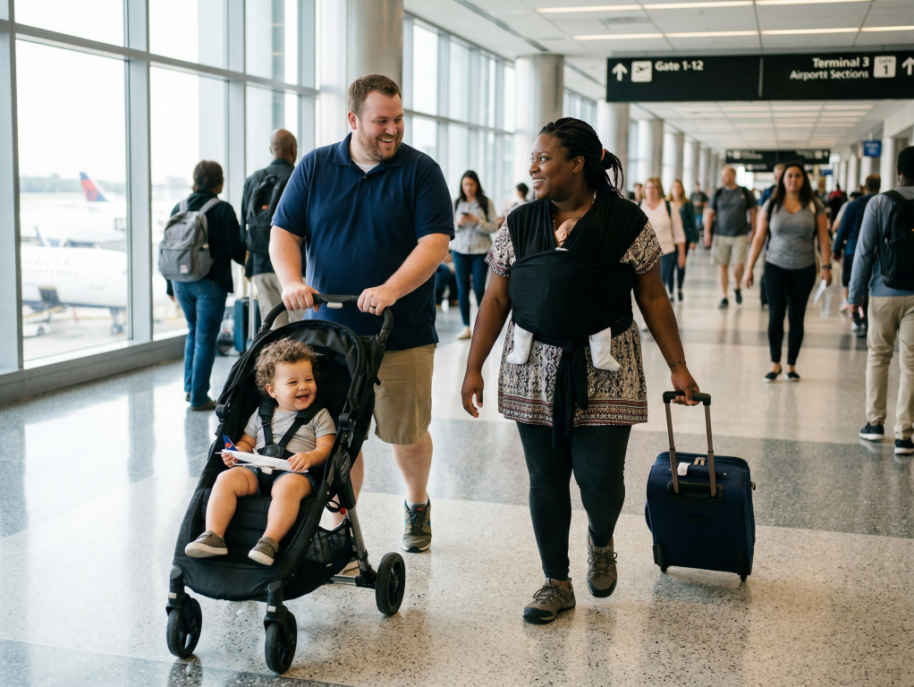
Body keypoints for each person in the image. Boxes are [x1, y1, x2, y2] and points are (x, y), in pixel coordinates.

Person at [460, 117, 700, 625]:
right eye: (533, 158)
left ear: (579, 163)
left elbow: (653, 296)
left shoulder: (627, 221)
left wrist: (678, 366)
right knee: (545, 480)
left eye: (544, 158)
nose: (533, 167)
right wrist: (473, 366)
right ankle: (556, 581)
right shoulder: (519, 222)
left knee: (599, 482)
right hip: (533, 365)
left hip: (605, 364)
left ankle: (600, 538)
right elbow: (496, 297)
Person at [269, 74, 453, 552]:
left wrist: (391, 289)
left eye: (398, 120)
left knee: (405, 433)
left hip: (402, 333)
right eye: (381, 122)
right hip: (329, 337)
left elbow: (434, 244)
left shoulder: (421, 171)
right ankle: (342, 526)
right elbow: (283, 233)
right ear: (353, 120)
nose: (392, 130)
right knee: (340, 437)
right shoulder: (314, 167)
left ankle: (416, 503)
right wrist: (291, 280)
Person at [184, 339, 336, 564]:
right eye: (293, 382)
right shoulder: (261, 413)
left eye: (309, 379)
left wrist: (309, 456)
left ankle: (269, 542)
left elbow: (327, 446)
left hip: (296, 473)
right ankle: (214, 536)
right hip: (257, 471)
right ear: (272, 390)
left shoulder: (319, 415)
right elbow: (247, 441)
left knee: (288, 487)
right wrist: (238, 453)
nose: (303, 386)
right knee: (226, 478)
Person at [849, 146, 914, 455]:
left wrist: (854, 295)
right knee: (911, 365)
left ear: (898, 171)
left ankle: (874, 424)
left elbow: (864, 252)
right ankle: (905, 435)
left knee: (878, 357)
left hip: (883, 292)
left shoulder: (879, 202)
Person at [167, 160, 247, 411]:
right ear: (219, 181)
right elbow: (235, 249)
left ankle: (191, 389)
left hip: (180, 282)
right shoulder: (222, 209)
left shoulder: (177, 207)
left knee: (194, 333)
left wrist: (170, 287)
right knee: (205, 337)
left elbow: (170, 250)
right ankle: (199, 397)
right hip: (209, 284)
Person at [743, 162, 831, 382]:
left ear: (804, 179)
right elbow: (759, 237)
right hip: (775, 267)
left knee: (796, 317)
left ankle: (791, 365)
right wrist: (749, 267)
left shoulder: (814, 204)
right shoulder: (771, 204)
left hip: (805, 268)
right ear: (782, 180)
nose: (793, 180)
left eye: (797, 176)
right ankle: (775, 364)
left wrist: (827, 267)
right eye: (789, 176)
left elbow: (823, 238)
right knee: (775, 316)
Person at [242, 129, 303, 329]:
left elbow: (244, 224)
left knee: (273, 330)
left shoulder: (253, 180)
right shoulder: (299, 177)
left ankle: (276, 362)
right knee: (301, 327)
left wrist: (249, 265)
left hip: (261, 265)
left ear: (271, 149)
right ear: (293, 149)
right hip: (296, 267)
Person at [451, 170, 497, 340]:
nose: (468, 188)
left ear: (477, 185)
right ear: (461, 186)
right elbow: (448, 226)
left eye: (471, 184)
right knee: (462, 289)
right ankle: (466, 327)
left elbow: (494, 227)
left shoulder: (486, 203)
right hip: (459, 250)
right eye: (465, 184)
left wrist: (477, 221)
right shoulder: (456, 203)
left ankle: (482, 327)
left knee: (479, 289)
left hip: (480, 251)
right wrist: (459, 223)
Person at [704, 165, 757, 308]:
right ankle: (724, 296)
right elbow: (710, 213)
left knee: (739, 265)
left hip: (740, 234)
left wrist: (754, 230)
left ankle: (737, 286)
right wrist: (707, 232)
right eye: (722, 176)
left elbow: (753, 212)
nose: (723, 179)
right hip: (720, 234)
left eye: (725, 176)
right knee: (723, 266)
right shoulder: (718, 193)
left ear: (733, 176)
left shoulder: (744, 192)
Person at [833, 174, 880, 328]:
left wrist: (837, 248)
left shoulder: (853, 205)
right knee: (870, 286)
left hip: (852, 249)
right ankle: (868, 319)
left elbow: (843, 228)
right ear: (879, 187)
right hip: (875, 251)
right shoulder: (882, 203)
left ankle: (857, 321)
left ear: (864, 187)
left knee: (854, 282)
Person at [637, 177, 685, 298]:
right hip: (643, 254)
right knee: (645, 285)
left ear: (659, 190)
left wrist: (682, 254)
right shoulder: (638, 206)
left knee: (659, 283)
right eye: (648, 187)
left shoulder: (669, 206)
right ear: (644, 189)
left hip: (666, 252)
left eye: (654, 187)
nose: (651, 191)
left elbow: (678, 232)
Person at [669, 179, 698, 301]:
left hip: (683, 239)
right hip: (669, 239)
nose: (677, 189)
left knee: (681, 263)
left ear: (682, 189)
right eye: (674, 187)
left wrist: (693, 240)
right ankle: (670, 292)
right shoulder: (666, 203)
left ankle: (679, 288)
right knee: (670, 265)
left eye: (679, 187)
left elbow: (692, 222)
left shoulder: (687, 204)